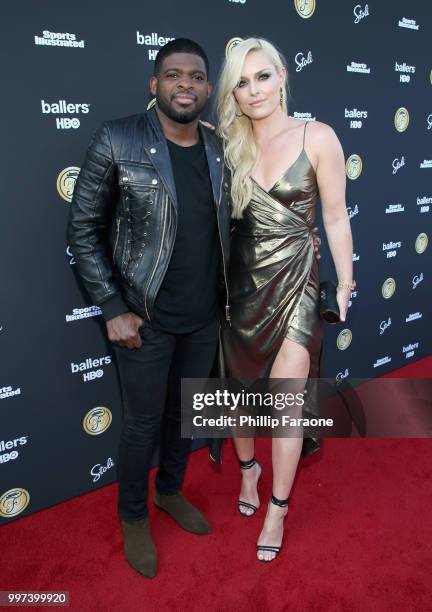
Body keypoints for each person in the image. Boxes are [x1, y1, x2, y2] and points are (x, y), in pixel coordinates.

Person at [67, 38, 232, 579]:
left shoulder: (220, 149)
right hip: (144, 318)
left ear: (208, 89)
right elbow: (83, 228)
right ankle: (133, 515)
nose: (185, 84)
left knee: (184, 418)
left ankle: (169, 493)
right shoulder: (117, 138)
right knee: (141, 426)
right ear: (154, 84)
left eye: (196, 76)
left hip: (204, 317)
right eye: (173, 74)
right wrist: (112, 306)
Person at [215, 38, 354, 562]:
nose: (254, 91)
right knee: (240, 396)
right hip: (241, 287)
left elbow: (336, 217)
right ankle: (248, 472)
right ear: (234, 92)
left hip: (297, 282)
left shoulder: (317, 137)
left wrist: (344, 281)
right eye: (242, 83)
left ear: (282, 77)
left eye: (263, 77)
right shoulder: (227, 147)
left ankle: (278, 505)